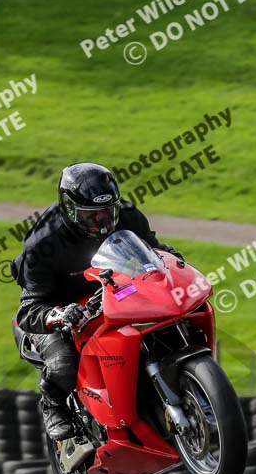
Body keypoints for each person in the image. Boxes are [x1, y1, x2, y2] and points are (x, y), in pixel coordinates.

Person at [11, 162, 183, 440]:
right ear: (69, 210)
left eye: (107, 212)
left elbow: (154, 249)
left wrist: (173, 260)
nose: (102, 222)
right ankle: (53, 405)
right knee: (63, 361)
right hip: (56, 309)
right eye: (91, 216)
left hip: (109, 293)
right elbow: (28, 310)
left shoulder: (127, 215)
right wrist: (60, 316)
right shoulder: (43, 244)